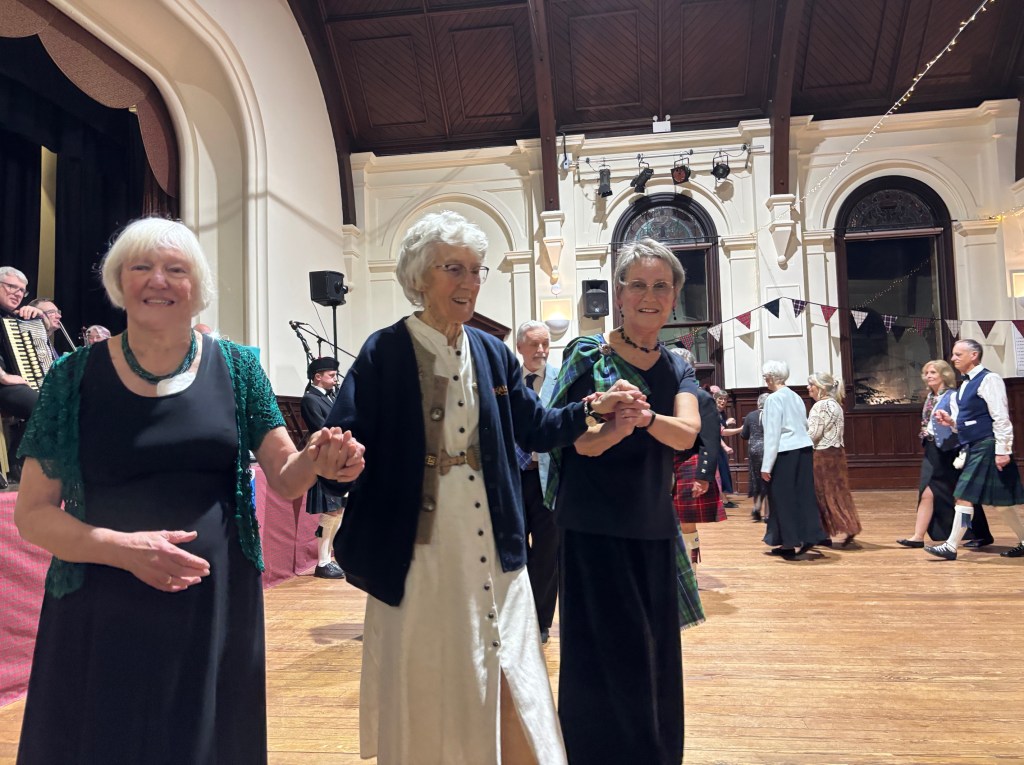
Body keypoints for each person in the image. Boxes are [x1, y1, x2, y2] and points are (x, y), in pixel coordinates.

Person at [13, 217, 365, 764]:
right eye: (141, 266)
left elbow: (285, 475)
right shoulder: (72, 376)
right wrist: (124, 549)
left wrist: (320, 460)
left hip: (215, 601)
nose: (158, 279)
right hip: (102, 598)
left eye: (175, 269)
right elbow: (33, 514)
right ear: (119, 281)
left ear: (198, 286)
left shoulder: (239, 368)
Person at [325, 211, 638, 765]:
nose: (469, 282)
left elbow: (537, 427)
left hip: (495, 546)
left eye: (476, 270)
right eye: (454, 269)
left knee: (509, 668)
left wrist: (593, 408)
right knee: (431, 673)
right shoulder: (384, 351)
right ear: (420, 276)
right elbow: (346, 441)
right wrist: (340, 460)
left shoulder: (493, 353)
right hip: (416, 555)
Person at [549, 238, 701, 765]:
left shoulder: (678, 366)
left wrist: (645, 417)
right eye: (637, 285)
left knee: (654, 656)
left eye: (661, 286)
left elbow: (686, 433)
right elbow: (576, 443)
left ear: (675, 296)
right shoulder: (587, 355)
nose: (649, 296)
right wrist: (614, 426)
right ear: (618, 294)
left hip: (652, 526)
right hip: (592, 527)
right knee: (601, 658)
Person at [926, 339, 1024, 560]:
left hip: (987, 445)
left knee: (963, 495)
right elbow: (969, 420)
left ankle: (950, 546)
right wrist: (951, 422)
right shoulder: (964, 386)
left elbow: (1001, 417)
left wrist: (1003, 450)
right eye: (953, 354)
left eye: (958, 354)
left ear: (974, 355)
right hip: (974, 446)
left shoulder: (990, 379)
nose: (953, 358)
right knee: (1002, 503)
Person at [897, 360, 987, 548]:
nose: (928, 376)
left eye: (933, 372)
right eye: (927, 372)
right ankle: (918, 536)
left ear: (944, 375)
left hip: (949, 450)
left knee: (962, 494)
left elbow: (959, 422)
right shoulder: (931, 397)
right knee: (927, 492)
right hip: (932, 449)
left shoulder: (952, 396)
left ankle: (979, 533)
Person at [514, 319, 560, 644]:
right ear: (520, 347)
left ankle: (541, 622)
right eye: (534, 344)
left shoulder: (561, 378)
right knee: (515, 548)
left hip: (549, 478)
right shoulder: (506, 381)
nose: (541, 350)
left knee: (547, 552)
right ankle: (517, 619)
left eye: (545, 343)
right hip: (513, 477)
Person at [760, 360, 825, 559]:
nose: (765, 380)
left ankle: (788, 543)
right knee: (803, 495)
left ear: (772, 377)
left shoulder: (773, 399)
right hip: (804, 450)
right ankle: (809, 535)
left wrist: (766, 465)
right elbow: (804, 424)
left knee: (782, 499)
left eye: (765, 376)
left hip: (785, 452)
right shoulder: (796, 396)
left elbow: (772, 434)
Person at [670, 347, 725, 567]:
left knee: (686, 521)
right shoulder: (664, 393)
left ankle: (689, 570)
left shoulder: (701, 397)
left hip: (689, 463)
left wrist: (703, 476)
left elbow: (710, 440)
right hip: (664, 464)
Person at [301, 356, 347, 579]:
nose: (335, 379)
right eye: (331, 375)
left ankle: (329, 557)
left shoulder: (332, 397)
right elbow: (321, 429)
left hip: (336, 458)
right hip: (323, 459)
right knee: (330, 512)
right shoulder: (310, 399)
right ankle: (322, 562)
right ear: (317, 377)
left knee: (338, 511)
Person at [806, 371, 862, 547]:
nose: (808, 387)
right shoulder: (836, 405)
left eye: (811, 384)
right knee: (838, 491)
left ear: (821, 387)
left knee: (821, 494)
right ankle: (848, 525)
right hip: (837, 453)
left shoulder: (820, 406)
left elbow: (814, 434)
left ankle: (822, 533)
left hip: (821, 456)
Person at [737, 393, 769, 522]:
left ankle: (756, 507)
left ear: (758, 403)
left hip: (754, 450)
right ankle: (768, 513)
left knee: (756, 479)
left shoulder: (750, 415)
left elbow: (744, 435)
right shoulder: (772, 415)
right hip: (769, 448)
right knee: (768, 479)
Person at [713, 390, 739, 508]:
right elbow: (718, 432)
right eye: (720, 399)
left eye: (725, 399)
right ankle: (723, 500)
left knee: (722, 471)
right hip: (713, 446)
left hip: (718, 445)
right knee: (719, 472)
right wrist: (740, 429)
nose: (723, 401)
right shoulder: (713, 412)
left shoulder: (721, 413)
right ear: (715, 399)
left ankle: (723, 499)